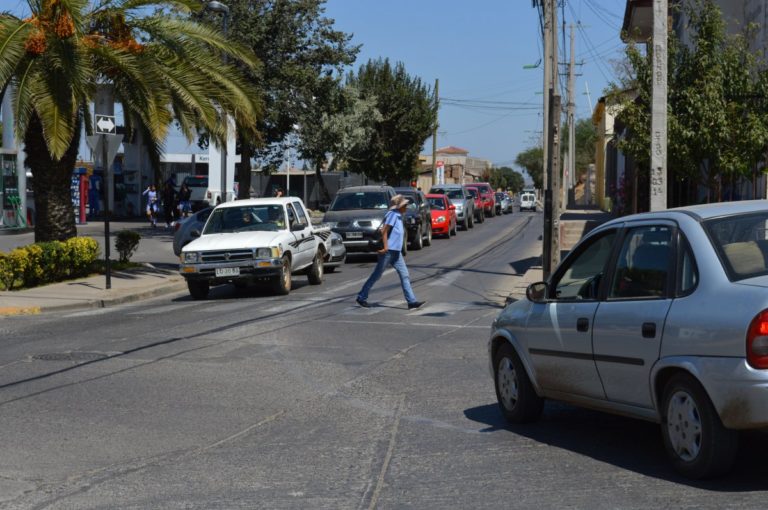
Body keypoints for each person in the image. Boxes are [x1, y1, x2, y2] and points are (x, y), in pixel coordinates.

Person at [356, 195, 425, 310]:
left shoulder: (398, 216)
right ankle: (361, 297)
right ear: (399, 206)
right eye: (404, 205)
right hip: (388, 251)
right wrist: (385, 247)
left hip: (396, 252)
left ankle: (411, 301)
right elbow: (384, 230)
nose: (406, 207)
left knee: (405, 275)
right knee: (377, 275)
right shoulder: (393, 215)